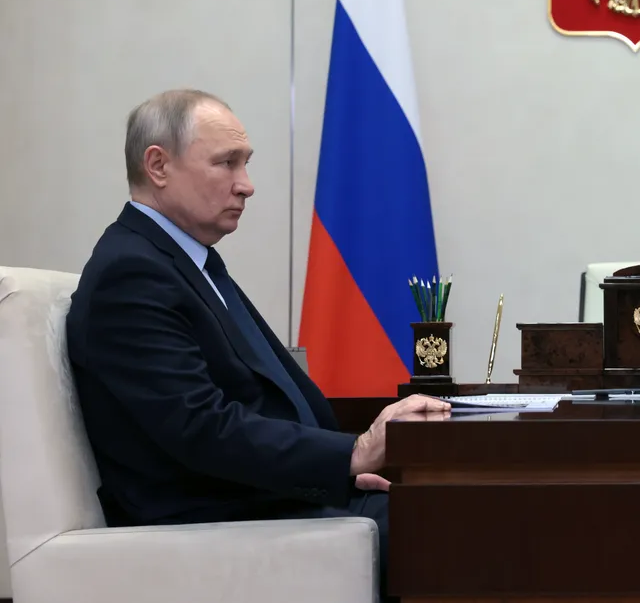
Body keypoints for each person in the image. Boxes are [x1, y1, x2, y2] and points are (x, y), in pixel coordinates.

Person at [65, 88, 448, 596]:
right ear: (158, 166)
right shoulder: (132, 274)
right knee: (448, 529)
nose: (246, 185)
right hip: (206, 518)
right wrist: (351, 453)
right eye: (227, 163)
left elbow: (255, 400)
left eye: (245, 163)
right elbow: (200, 427)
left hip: (253, 495)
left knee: (449, 509)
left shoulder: (184, 259)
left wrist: (339, 466)